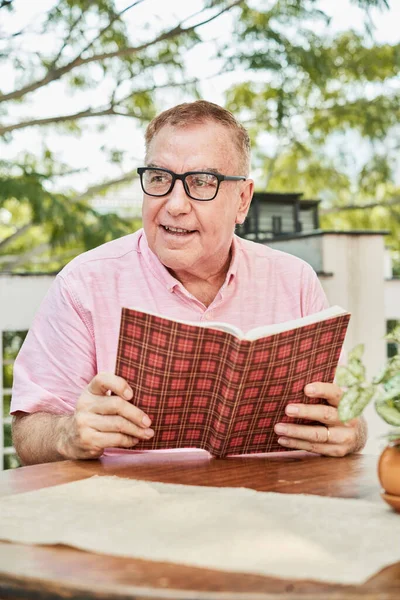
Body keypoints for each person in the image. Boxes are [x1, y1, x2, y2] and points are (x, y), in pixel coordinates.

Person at [11, 100, 367, 464]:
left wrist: (350, 432)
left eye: (201, 182)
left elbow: (342, 412)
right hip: (126, 508)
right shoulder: (83, 283)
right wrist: (67, 433)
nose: (175, 204)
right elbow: (26, 435)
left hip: (269, 504)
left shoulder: (295, 281)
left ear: (242, 200)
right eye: (159, 178)